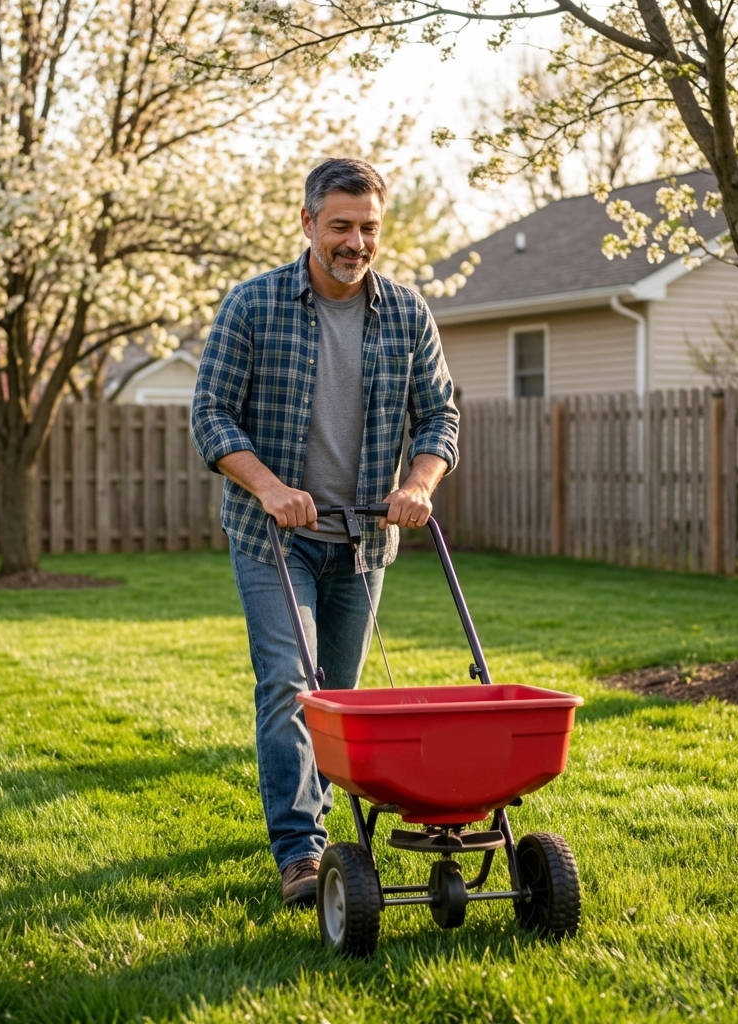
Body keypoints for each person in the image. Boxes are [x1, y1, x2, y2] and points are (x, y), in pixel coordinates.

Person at [191, 158, 459, 907]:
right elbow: (211, 413)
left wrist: (417, 484)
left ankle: (331, 829)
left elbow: (440, 414)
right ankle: (300, 853)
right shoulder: (254, 305)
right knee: (289, 686)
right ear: (307, 223)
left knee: (336, 702)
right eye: (340, 225)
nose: (355, 241)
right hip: (274, 537)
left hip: (365, 541)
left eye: (368, 227)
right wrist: (271, 488)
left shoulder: (407, 314)